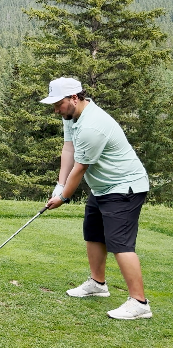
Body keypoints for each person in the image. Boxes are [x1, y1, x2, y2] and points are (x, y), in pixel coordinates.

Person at [40, 77, 152, 320]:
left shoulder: (93, 125)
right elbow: (68, 149)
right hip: (102, 187)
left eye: (58, 104)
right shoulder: (72, 116)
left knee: (120, 244)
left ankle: (140, 303)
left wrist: (64, 198)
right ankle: (97, 284)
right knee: (93, 233)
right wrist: (59, 186)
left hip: (125, 187)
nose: (56, 110)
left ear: (74, 98)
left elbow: (80, 167)